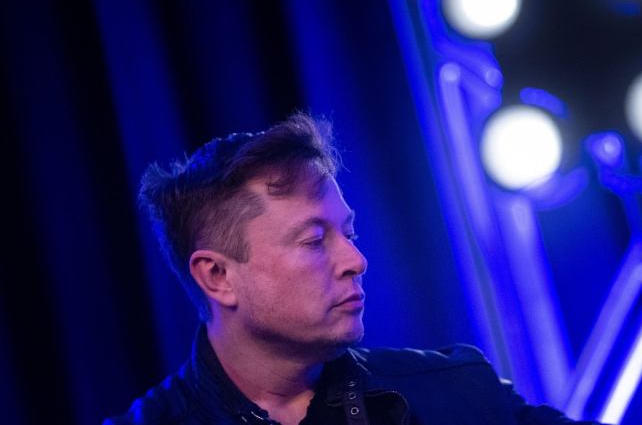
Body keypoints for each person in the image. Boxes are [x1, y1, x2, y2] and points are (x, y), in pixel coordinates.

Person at [104, 113, 599, 425]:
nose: (355, 261)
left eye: (350, 233)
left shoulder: (459, 393)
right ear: (217, 276)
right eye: (314, 241)